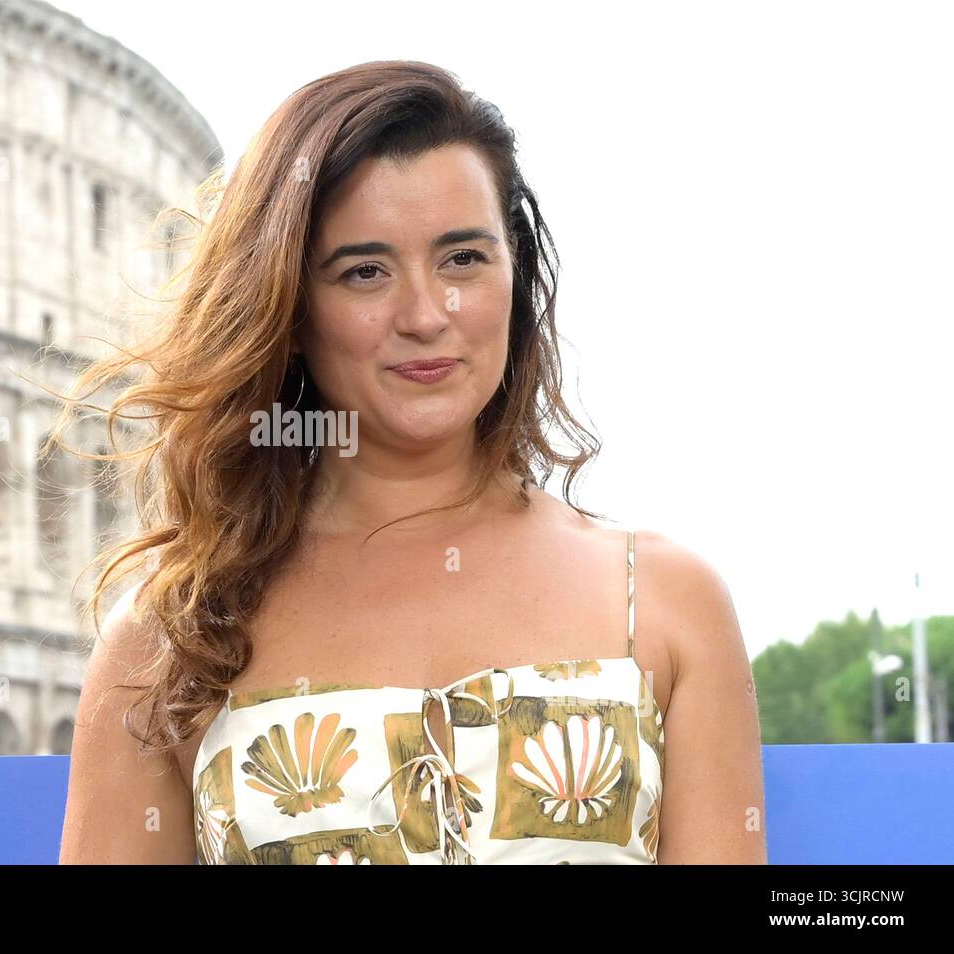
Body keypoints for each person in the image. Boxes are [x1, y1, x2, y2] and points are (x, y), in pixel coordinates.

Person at [58, 60, 766, 864]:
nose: (428, 315)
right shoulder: (172, 636)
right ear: (289, 310)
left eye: (463, 258)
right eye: (365, 272)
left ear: (515, 274)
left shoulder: (668, 605)